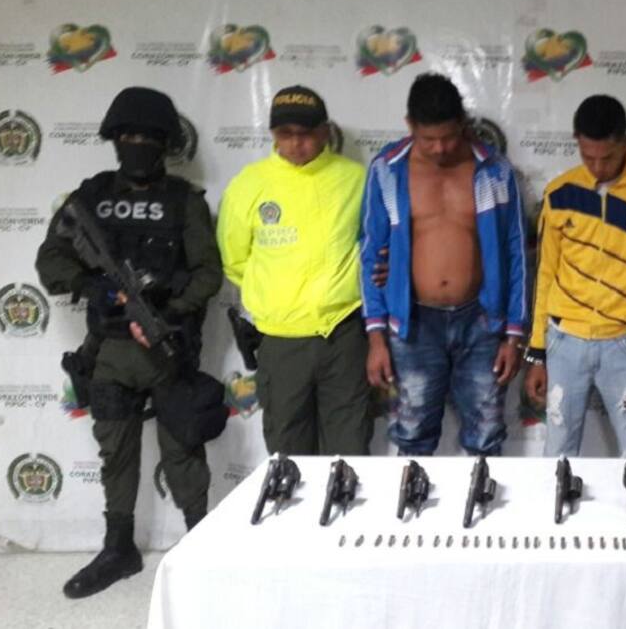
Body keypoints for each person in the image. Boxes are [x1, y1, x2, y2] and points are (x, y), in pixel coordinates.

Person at [36, 86, 223, 598]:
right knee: (115, 452)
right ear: (115, 140)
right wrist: (90, 284)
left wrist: (171, 311)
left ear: (165, 144)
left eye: (149, 138)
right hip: (111, 352)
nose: (138, 145)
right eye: (129, 136)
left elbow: (208, 273)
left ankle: (201, 547)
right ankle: (119, 548)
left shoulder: (184, 202)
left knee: (183, 451)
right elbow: (51, 259)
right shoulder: (91, 197)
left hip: (167, 348)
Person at [361, 72, 527, 456]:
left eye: (449, 137)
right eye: (428, 139)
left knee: (486, 437)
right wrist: (376, 339)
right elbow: (370, 253)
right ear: (410, 126)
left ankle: (483, 497)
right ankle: (414, 498)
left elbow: (515, 252)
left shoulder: (494, 170)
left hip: (482, 322)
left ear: (463, 123)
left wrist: (513, 336)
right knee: (412, 436)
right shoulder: (387, 169)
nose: (439, 148)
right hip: (413, 324)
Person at [217, 85, 372, 455]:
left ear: (325, 132)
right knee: (288, 454)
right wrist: (279, 298)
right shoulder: (249, 185)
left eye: (306, 133)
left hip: (343, 334)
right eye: (285, 134)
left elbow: (376, 245)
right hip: (280, 340)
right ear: (273, 134)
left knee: (350, 451)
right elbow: (235, 260)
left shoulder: (357, 180)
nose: (296, 143)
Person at [523, 95, 626, 456]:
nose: (597, 167)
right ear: (577, 142)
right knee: (558, 453)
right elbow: (545, 275)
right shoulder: (559, 193)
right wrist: (537, 354)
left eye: (607, 157)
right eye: (587, 156)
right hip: (564, 342)